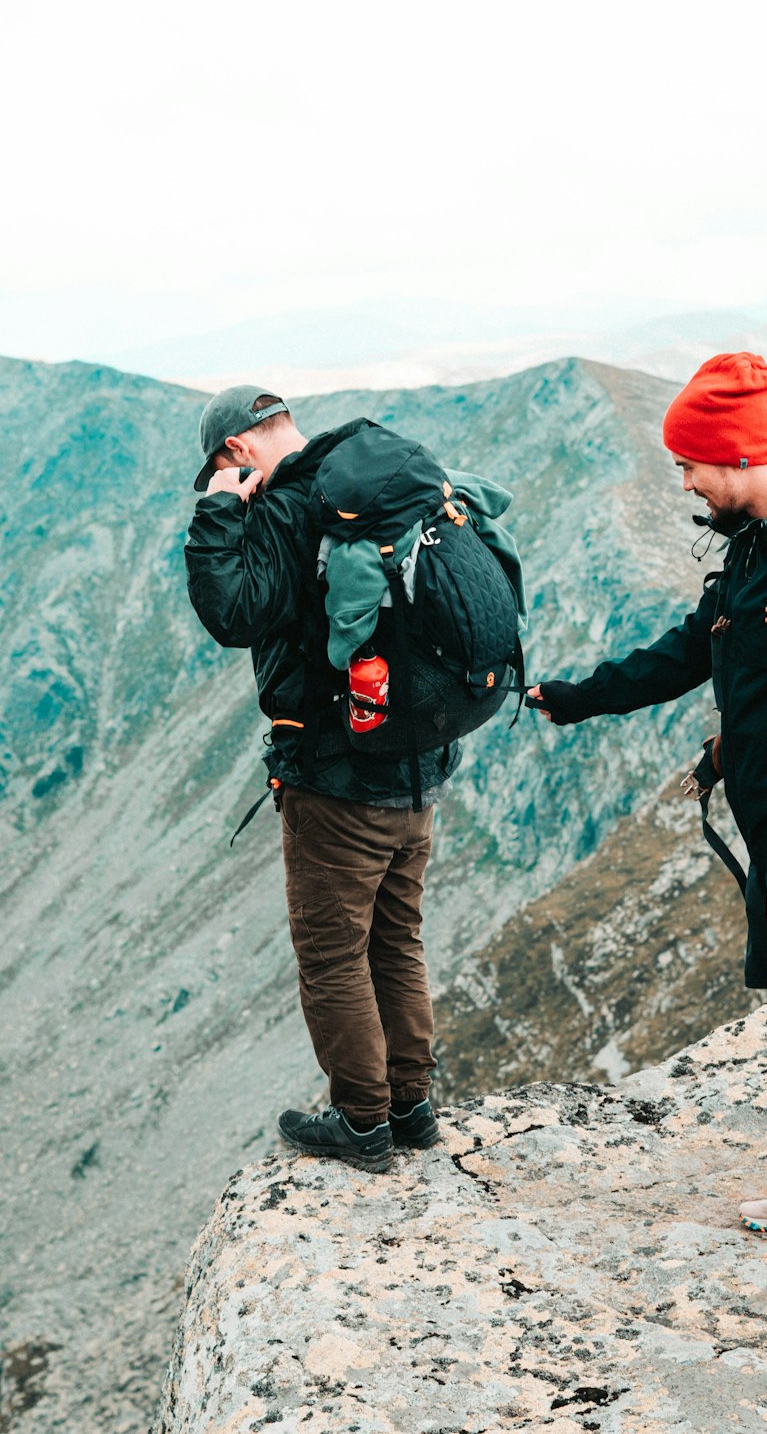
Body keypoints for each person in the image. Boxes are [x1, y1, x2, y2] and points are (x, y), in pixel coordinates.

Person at [530, 352, 767, 1300]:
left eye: (692, 467)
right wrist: (580, 698)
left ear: (738, 456)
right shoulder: (755, 543)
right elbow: (694, 650)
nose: (687, 483)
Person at [185, 385, 452, 1172]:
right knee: (397, 941)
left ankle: (362, 1124)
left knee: (335, 955)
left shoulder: (287, 508)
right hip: (418, 765)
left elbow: (233, 614)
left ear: (236, 450)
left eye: (219, 467)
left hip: (337, 782)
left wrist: (217, 514)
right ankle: (412, 1108)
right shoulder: (372, 477)